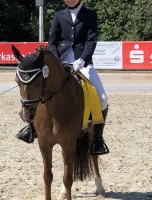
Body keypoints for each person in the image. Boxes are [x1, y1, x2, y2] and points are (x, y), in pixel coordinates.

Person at [16, 0, 109, 155]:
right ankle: (32, 128)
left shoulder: (90, 14)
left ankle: (98, 137)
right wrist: (55, 60)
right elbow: (52, 41)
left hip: (82, 62)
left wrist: (83, 60)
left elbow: (91, 40)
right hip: (60, 61)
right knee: (39, 87)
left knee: (103, 98)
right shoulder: (59, 15)